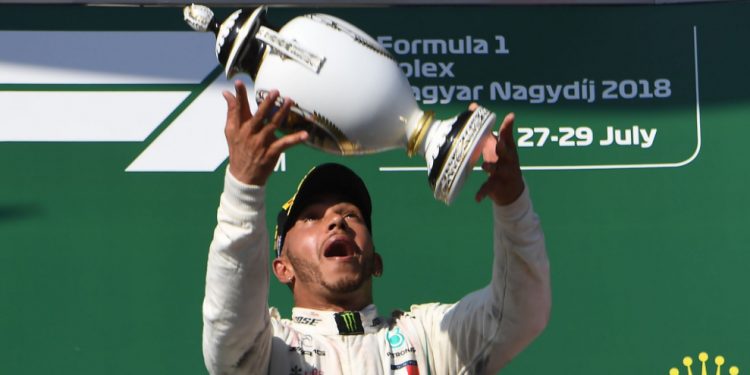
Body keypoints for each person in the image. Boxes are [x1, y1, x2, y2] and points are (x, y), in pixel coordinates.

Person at [202, 80, 551, 375]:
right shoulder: (269, 350)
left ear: (376, 261)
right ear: (283, 268)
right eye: (311, 217)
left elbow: (519, 313)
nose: (336, 221)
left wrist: (512, 201)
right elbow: (227, 322)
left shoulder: (425, 338)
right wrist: (243, 189)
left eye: (351, 215)